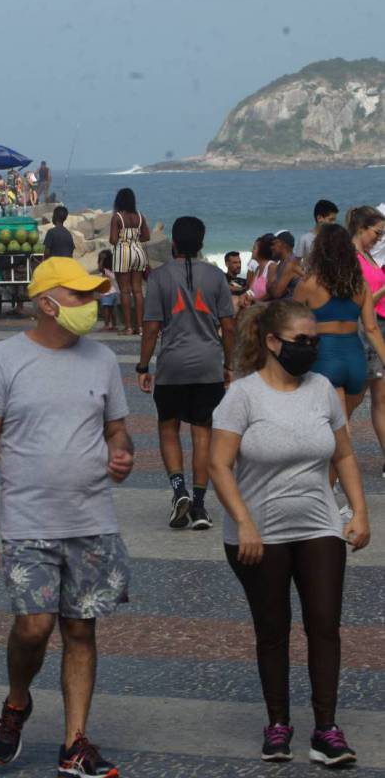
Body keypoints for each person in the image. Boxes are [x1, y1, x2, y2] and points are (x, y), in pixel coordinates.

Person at [0, 257, 133, 778]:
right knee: (34, 627)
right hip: (28, 522)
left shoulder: (103, 359)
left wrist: (123, 455)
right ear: (47, 303)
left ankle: (75, 743)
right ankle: (18, 702)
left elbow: (118, 434)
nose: (92, 304)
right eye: (81, 296)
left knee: (80, 631)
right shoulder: (3, 359)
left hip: (91, 520)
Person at [210, 299, 369, 766]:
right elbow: (218, 465)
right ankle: (278, 724)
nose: (311, 350)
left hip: (319, 524)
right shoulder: (242, 395)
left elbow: (343, 455)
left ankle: (327, 730)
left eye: (315, 342)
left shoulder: (322, 389)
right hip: (259, 532)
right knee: (273, 629)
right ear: (273, 342)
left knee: (324, 626)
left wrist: (358, 512)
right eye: (303, 342)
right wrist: (244, 522)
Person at [138, 216, 235, 530]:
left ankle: (178, 490)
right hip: (209, 365)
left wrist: (143, 366)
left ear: (174, 244)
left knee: (168, 428)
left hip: (172, 366)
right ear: (202, 243)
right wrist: (229, 364)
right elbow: (229, 325)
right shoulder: (217, 276)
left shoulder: (159, 277)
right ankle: (200, 504)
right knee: (202, 432)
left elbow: (151, 328)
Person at [294, 223, 385, 434]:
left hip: (324, 359)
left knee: (336, 432)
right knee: (342, 426)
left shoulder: (308, 284)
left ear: (320, 250)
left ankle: (338, 464)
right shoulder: (360, 284)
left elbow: (292, 326)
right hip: (355, 361)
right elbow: (371, 329)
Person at [348, 205, 385, 476]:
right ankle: (335, 461)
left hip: (377, 328)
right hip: (366, 332)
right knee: (353, 400)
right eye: (377, 232)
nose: (379, 238)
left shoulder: (368, 256)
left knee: (380, 400)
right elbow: (360, 304)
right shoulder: (352, 258)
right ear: (361, 228)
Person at [109, 187, 150, 335]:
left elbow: (113, 240)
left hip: (123, 252)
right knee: (138, 290)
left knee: (125, 291)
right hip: (138, 252)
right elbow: (147, 237)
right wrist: (134, 239)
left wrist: (123, 239)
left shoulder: (117, 217)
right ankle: (140, 327)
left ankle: (128, 327)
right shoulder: (140, 216)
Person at [267, 231, 303, 300]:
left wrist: (271, 279)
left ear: (283, 244)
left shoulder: (291, 263)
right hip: (284, 305)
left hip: (290, 307)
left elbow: (276, 294)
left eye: (274, 244)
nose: (272, 247)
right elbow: (272, 291)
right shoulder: (282, 263)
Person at [246, 234, 275, 301]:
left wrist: (255, 301)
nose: (251, 250)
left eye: (254, 248)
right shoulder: (258, 269)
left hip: (263, 306)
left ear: (261, 250)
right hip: (254, 304)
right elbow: (250, 290)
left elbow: (271, 293)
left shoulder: (271, 266)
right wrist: (245, 296)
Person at [97, 249, 119, 330]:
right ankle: (114, 325)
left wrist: (102, 259)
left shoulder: (105, 271)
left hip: (107, 293)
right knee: (113, 310)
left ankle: (106, 325)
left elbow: (100, 267)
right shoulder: (112, 271)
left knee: (106, 309)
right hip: (114, 292)